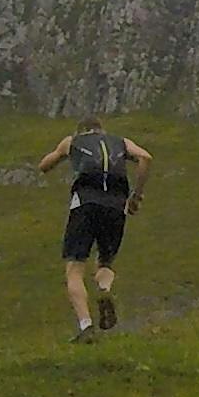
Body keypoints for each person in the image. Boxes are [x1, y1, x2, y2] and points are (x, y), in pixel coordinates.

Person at [37, 117, 150, 339]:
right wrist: (136, 195)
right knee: (105, 261)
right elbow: (146, 157)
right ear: (102, 129)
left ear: (81, 130)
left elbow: (44, 166)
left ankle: (86, 326)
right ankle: (104, 290)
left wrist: (61, 155)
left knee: (74, 268)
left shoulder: (72, 141)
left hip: (85, 204)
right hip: (117, 205)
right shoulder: (122, 142)